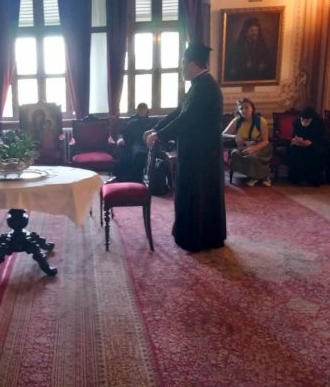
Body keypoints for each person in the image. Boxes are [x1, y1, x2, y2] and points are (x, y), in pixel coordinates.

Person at [145, 43, 226, 253]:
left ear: (191, 64)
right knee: (190, 192)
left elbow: (187, 119)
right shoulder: (198, 85)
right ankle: (193, 235)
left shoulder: (205, 87)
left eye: (182, 64)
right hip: (194, 152)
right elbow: (178, 112)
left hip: (202, 156)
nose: (181, 69)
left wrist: (159, 135)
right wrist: (155, 129)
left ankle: (196, 239)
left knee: (197, 194)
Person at [223, 98, 272, 186]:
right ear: (238, 111)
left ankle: (261, 177)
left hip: (260, 146)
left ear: (252, 108)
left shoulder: (261, 121)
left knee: (252, 156)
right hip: (243, 146)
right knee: (235, 153)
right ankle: (254, 176)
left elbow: (265, 141)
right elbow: (223, 134)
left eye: (246, 107)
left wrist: (253, 149)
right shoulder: (236, 121)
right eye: (241, 108)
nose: (244, 110)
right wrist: (235, 136)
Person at [113, 102, 154, 182]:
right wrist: (120, 138)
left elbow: (156, 132)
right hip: (136, 144)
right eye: (140, 109)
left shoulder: (152, 121)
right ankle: (137, 179)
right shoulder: (132, 122)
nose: (142, 110)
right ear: (137, 110)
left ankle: (149, 179)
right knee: (138, 153)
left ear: (147, 110)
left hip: (149, 144)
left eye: (144, 109)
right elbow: (122, 132)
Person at [287, 107, 327, 186]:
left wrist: (311, 143)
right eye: (303, 119)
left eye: (307, 119)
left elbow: (322, 139)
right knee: (294, 152)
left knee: (313, 153)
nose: (304, 121)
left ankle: (312, 179)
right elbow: (294, 134)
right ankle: (297, 178)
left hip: (314, 147)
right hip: (299, 147)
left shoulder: (319, 124)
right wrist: (295, 140)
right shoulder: (297, 122)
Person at [226, 17, 274, 82]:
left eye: (256, 30)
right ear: (246, 32)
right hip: (242, 76)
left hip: (258, 77)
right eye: (251, 30)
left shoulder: (262, 46)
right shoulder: (239, 46)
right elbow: (233, 64)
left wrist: (264, 65)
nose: (254, 33)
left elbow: (269, 62)